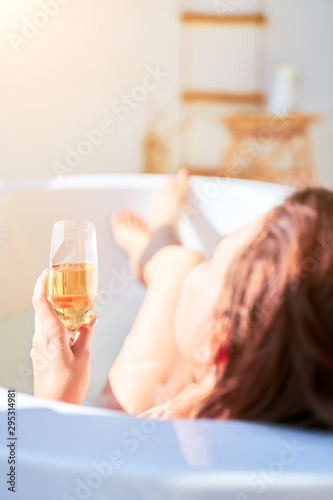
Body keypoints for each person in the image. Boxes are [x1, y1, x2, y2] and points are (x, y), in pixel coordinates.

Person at [31, 172, 333, 429]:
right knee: (183, 264)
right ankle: (157, 249)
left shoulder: (158, 435)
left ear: (219, 343)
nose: (205, 261)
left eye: (213, 261)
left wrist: (55, 405)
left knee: (181, 265)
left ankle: (158, 248)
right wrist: (207, 389)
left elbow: (42, 483)